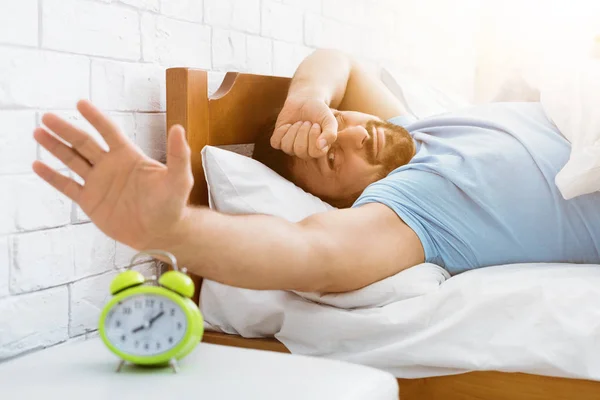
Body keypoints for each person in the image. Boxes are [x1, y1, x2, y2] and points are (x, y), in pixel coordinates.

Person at [33, 49, 600, 294]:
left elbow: (343, 63)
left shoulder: (419, 128)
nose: (353, 133)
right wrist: (168, 231)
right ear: (341, 199)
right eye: (332, 159)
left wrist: (307, 101)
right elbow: (310, 253)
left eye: (338, 122)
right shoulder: (413, 207)